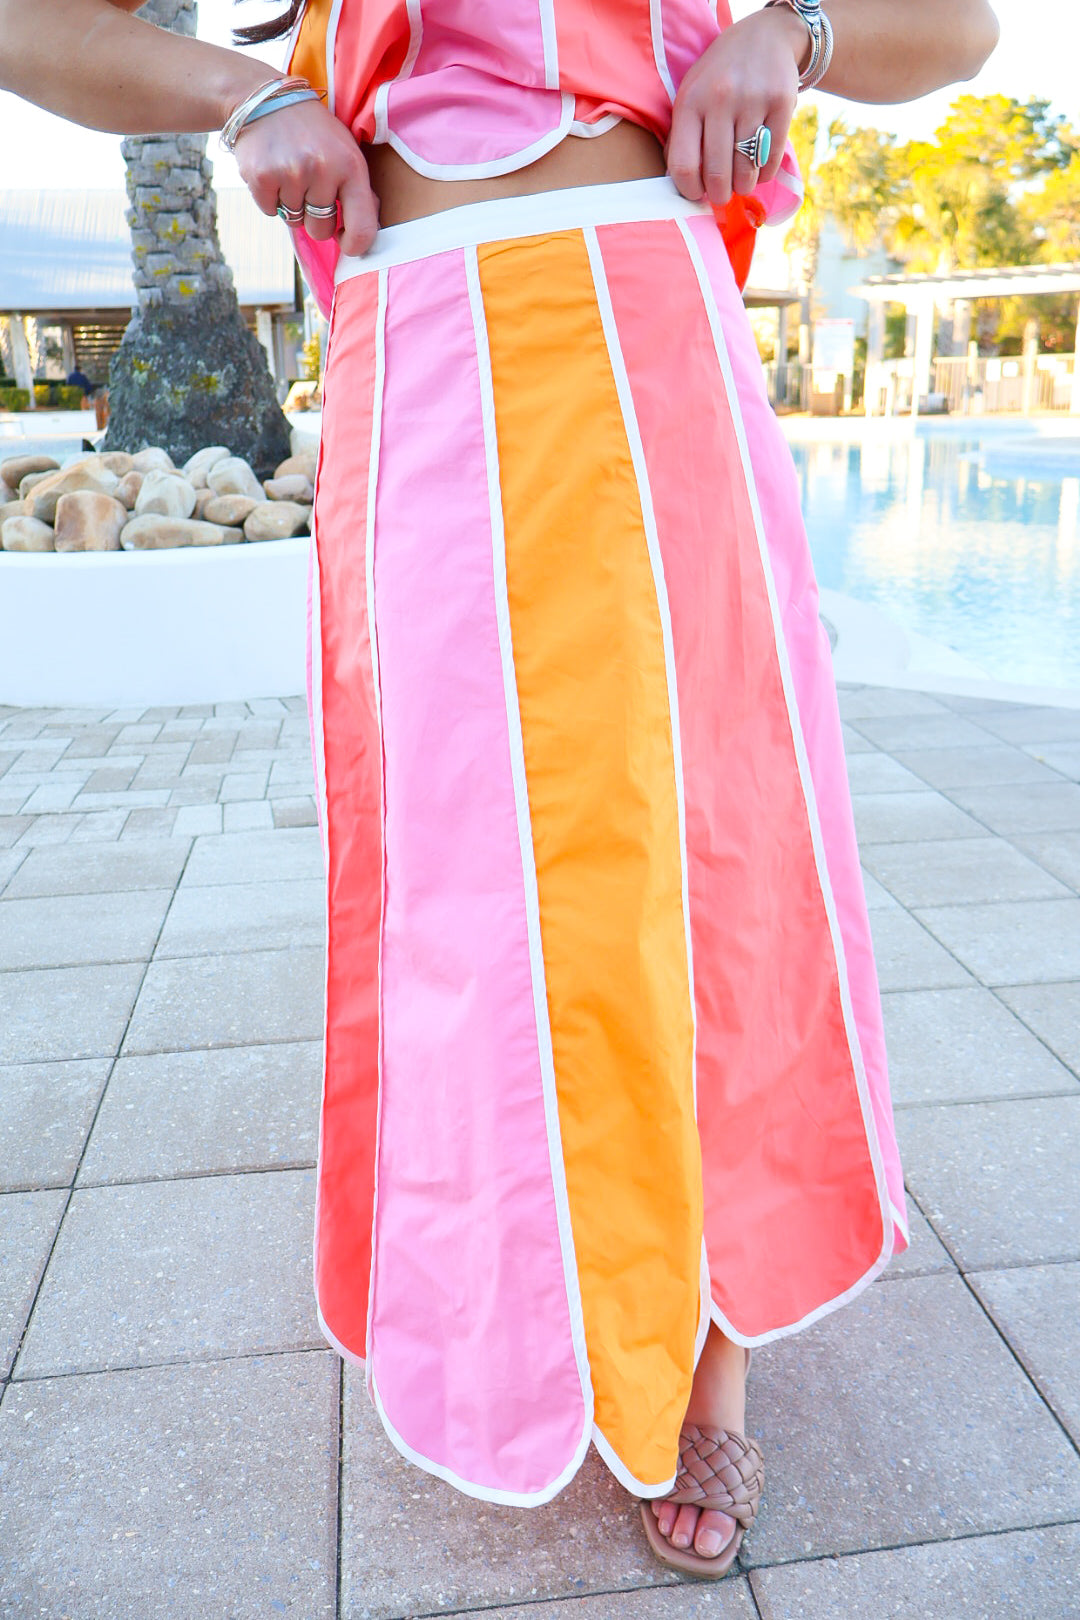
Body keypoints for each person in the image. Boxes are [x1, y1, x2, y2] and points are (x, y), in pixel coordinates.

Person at [2, 0, 999, 1579]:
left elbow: (962, 28)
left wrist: (794, 33)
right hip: (423, 345)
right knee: (464, 880)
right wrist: (250, 95)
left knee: (696, 835)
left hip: (648, 315)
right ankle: (506, 1294)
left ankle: (709, 1343)